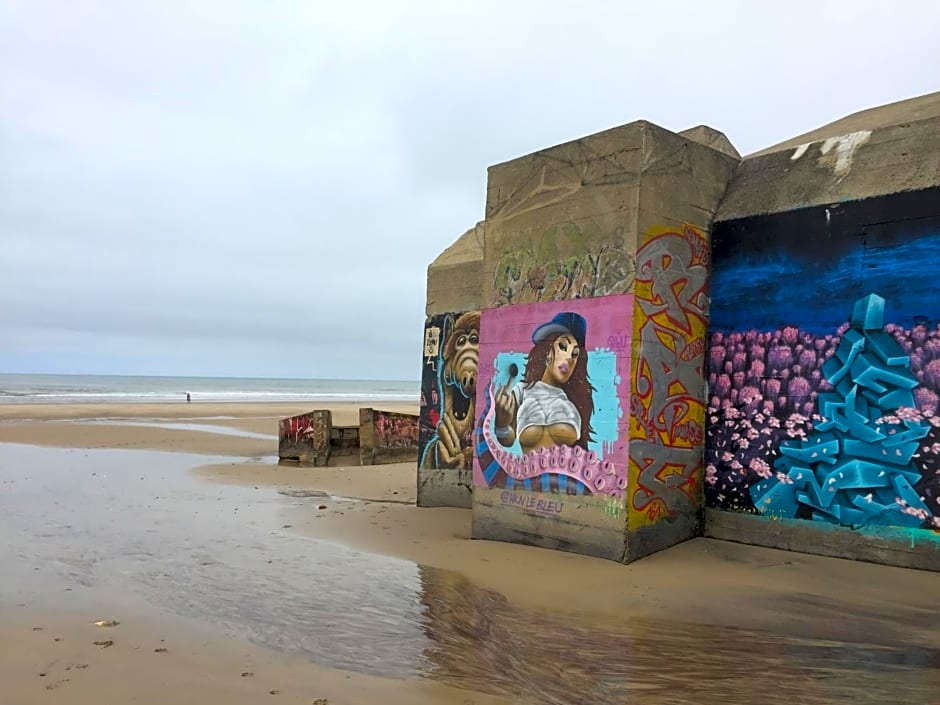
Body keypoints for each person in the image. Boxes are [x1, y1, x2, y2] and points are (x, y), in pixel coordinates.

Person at [493, 311, 594, 454]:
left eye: (575, 354)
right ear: (547, 350)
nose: (568, 358)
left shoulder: (575, 399)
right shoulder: (523, 390)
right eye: (563, 346)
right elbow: (508, 440)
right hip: (528, 474)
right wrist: (501, 424)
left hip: (567, 476)